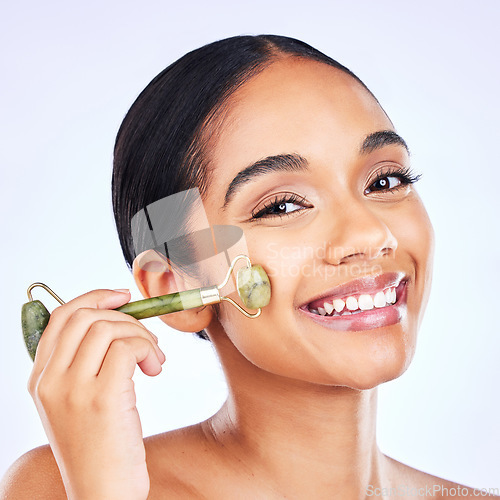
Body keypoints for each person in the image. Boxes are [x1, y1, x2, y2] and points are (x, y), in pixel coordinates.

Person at [1, 34, 496, 499]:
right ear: (176, 283)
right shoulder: (62, 486)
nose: (370, 234)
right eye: (282, 206)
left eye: (385, 181)